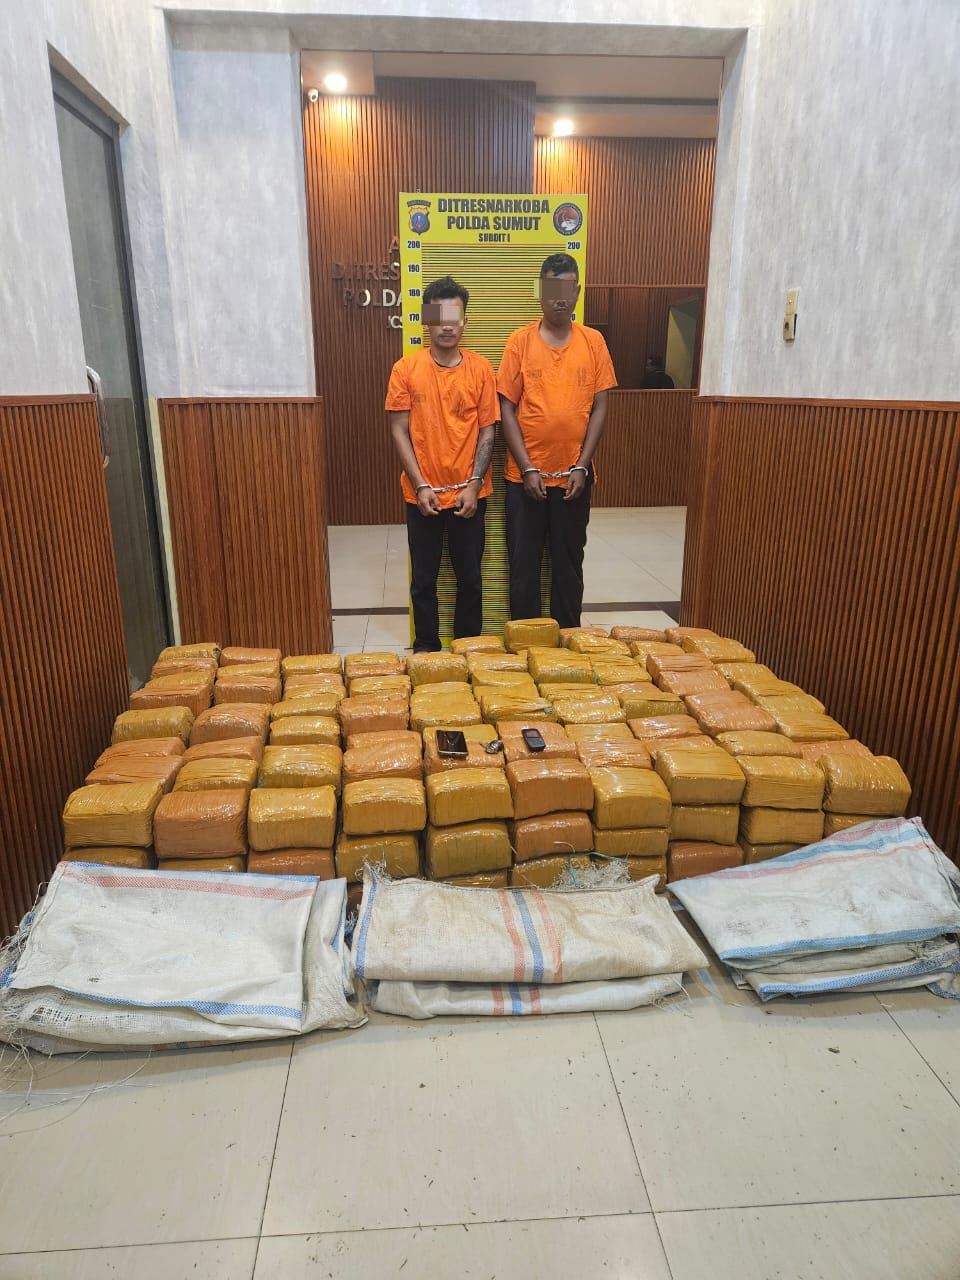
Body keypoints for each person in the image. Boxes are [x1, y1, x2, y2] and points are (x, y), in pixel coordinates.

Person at [498, 253, 617, 628]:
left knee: (568, 567)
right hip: (524, 480)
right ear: (540, 292)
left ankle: (567, 645)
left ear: (577, 292)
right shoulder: (519, 342)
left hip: (573, 480)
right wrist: (526, 467)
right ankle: (525, 647)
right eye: (553, 289)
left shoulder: (593, 342)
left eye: (567, 290)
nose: (560, 298)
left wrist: (582, 465)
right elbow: (505, 408)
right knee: (524, 569)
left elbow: (600, 406)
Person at [386, 275, 497, 652]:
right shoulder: (405, 370)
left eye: (455, 317)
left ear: (464, 321)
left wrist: (474, 485)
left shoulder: (480, 369)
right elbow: (399, 430)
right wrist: (420, 485)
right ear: (426, 320)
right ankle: (426, 649)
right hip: (422, 495)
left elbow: (487, 430)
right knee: (423, 580)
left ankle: (467, 650)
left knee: (470, 579)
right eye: (439, 317)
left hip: (470, 495)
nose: (448, 326)